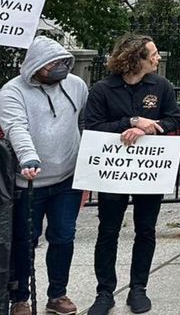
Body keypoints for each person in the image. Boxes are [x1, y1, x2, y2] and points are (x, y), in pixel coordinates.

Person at [82, 35, 180, 314]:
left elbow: (174, 119)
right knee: (108, 231)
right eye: (153, 53)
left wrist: (150, 127)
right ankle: (104, 292)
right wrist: (130, 122)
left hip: (146, 172)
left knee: (145, 229)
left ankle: (139, 288)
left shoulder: (161, 87)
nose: (158, 58)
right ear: (137, 58)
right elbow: (93, 126)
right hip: (113, 173)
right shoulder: (103, 89)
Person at [1, 36, 89, 315]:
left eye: (63, 62)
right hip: (28, 182)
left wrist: (87, 172)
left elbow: (85, 123)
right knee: (25, 241)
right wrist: (28, 155)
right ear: (36, 65)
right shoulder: (11, 92)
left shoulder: (76, 86)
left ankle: (58, 294)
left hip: (67, 179)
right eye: (52, 64)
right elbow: (16, 127)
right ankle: (20, 297)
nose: (59, 68)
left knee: (64, 237)